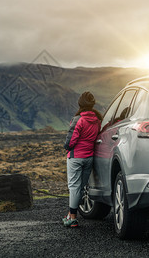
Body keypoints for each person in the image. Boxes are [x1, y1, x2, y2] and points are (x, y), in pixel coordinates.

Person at [62, 91, 102, 227]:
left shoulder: (78, 119)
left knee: (73, 187)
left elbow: (71, 140)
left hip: (75, 157)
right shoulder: (97, 120)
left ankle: (72, 218)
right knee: (81, 187)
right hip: (89, 157)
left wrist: (67, 147)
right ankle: (70, 214)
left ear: (80, 104)